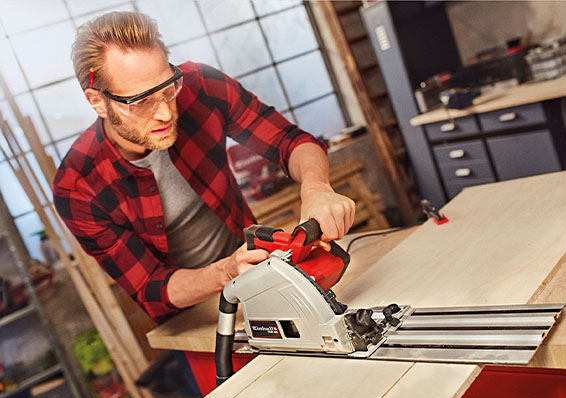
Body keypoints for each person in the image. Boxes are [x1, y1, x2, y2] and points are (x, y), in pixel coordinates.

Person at [53, 11, 355, 323]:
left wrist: (317, 188)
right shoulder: (78, 186)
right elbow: (150, 288)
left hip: (257, 279)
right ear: (97, 101)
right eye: (141, 101)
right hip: (190, 313)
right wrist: (227, 270)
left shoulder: (202, 87)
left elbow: (289, 141)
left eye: (168, 89)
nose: (165, 114)